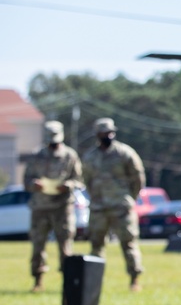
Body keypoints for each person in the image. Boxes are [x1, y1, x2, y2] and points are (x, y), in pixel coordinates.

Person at [82, 117, 145, 291]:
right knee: (96, 245)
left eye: (110, 133)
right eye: (104, 133)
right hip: (98, 208)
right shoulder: (90, 157)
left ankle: (134, 278)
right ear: (97, 135)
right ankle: (94, 281)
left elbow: (137, 178)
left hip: (121, 207)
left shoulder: (125, 153)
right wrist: (95, 197)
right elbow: (87, 180)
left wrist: (129, 198)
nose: (108, 136)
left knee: (129, 243)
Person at [24, 120, 82, 292]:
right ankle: (38, 280)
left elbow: (79, 180)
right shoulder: (36, 156)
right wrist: (34, 184)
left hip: (62, 207)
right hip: (40, 207)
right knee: (38, 245)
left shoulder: (70, 155)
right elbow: (26, 181)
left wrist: (68, 186)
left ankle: (68, 282)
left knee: (65, 246)